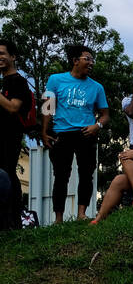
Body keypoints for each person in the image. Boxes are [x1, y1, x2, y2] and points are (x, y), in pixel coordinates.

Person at [41, 43, 109, 223]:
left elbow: (105, 115)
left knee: (86, 173)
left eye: (92, 60)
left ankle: (81, 214)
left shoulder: (97, 87)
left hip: (86, 134)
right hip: (62, 133)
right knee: (61, 176)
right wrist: (44, 131)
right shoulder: (55, 80)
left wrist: (97, 126)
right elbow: (47, 107)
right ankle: (58, 218)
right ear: (75, 61)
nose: (91, 63)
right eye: (87, 59)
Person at [0, 36, 33, 230]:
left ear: (13, 56)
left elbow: (13, 107)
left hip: (10, 136)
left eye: (2, 54)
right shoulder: (4, 82)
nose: (0, 58)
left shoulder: (18, 82)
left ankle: (12, 221)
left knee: (7, 173)